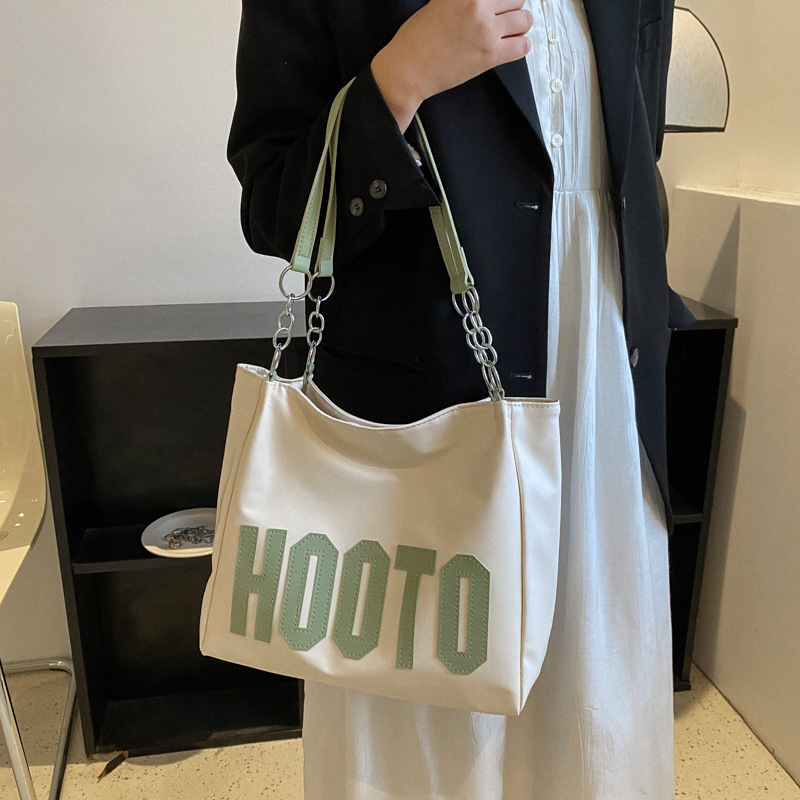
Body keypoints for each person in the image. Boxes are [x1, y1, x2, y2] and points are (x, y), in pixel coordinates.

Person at [227, 0, 694, 797]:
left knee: (593, 710)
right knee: (425, 739)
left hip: (604, 407)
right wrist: (401, 75)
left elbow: (629, 162)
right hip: (424, 419)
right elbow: (276, 206)